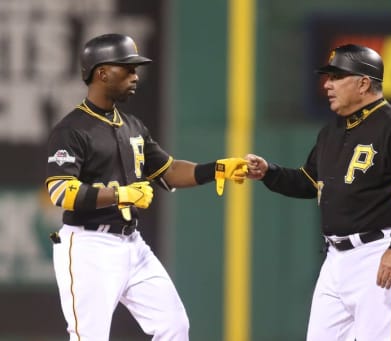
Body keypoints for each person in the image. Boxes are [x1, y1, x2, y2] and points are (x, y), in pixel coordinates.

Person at [45, 33, 247, 341]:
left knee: (174, 326)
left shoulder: (132, 125)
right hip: (89, 247)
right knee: (88, 336)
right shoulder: (72, 129)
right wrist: (120, 195)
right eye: (126, 69)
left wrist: (215, 169)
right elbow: (61, 192)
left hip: (132, 245)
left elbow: (167, 170)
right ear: (101, 73)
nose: (135, 76)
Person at [246, 44, 391, 340]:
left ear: (363, 83)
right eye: (328, 76)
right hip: (335, 258)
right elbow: (309, 181)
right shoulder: (332, 130)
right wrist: (269, 172)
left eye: (336, 76)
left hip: (378, 252)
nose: (327, 84)